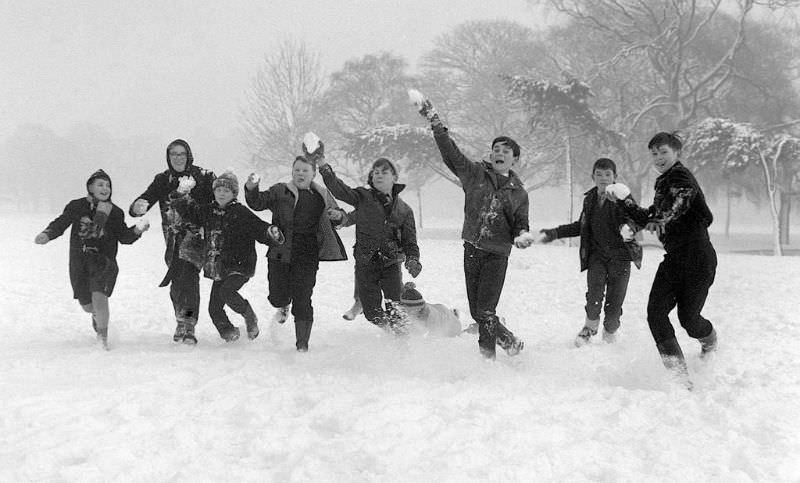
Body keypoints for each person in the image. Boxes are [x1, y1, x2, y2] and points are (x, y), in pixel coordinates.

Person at [414, 95, 530, 359]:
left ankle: (487, 357)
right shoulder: (475, 174)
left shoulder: (519, 193)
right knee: (478, 312)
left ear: (515, 160)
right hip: (473, 249)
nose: (499, 153)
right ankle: (509, 341)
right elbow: (451, 154)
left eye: (506, 151)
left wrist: (522, 235)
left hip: (497, 254)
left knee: (486, 311)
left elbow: (521, 224)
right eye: (496, 149)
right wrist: (436, 124)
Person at [606, 132, 718, 385]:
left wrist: (661, 218)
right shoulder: (663, 182)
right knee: (655, 314)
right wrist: (625, 201)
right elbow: (649, 217)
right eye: (654, 153)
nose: (658, 158)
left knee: (689, 320)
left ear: (677, 153)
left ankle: (709, 342)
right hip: (675, 259)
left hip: (699, 258)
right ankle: (679, 377)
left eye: (663, 152)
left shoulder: (680, 177)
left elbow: (680, 199)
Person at [35, 169, 150, 349]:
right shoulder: (76, 206)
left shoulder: (115, 213)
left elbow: (124, 237)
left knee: (99, 297)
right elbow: (61, 222)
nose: (105, 188)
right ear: (90, 187)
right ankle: (95, 315)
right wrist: (47, 234)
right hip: (79, 261)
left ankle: (102, 339)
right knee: (87, 305)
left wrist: (137, 230)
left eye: (108, 185)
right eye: (100, 184)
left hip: (104, 261)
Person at [244, 155, 347, 352]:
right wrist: (251, 187)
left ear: (313, 174)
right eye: (297, 170)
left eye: (305, 170)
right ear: (292, 172)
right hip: (280, 252)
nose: (300, 173)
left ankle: (302, 343)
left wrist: (338, 216)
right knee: (277, 296)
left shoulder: (321, 195)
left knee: (303, 297)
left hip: (307, 254)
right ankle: (282, 305)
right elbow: (257, 202)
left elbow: (337, 215)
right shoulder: (280, 191)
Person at [314, 145, 421, 335]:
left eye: (384, 172)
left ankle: (402, 339)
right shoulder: (363, 197)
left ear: (394, 177)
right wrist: (323, 165)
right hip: (366, 262)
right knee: (371, 313)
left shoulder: (404, 210)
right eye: (375, 172)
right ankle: (391, 330)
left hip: (391, 264)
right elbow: (340, 191)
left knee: (395, 306)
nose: (378, 175)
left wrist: (413, 259)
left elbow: (410, 241)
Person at [539, 158, 643, 347]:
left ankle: (610, 330)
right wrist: (555, 233)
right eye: (599, 174)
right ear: (593, 177)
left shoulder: (623, 198)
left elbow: (637, 219)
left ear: (615, 177)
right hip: (597, 256)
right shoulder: (590, 199)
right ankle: (589, 327)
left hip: (620, 258)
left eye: (607, 174)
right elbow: (581, 226)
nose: (603, 178)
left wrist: (629, 228)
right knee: (594, 294)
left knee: (614, 304)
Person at [171, 171, 284, 343]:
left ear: (234, 194)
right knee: (214, 309)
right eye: (219, 190)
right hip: (220, 268)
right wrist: (180, 195)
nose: (222, 193)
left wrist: (270, 233)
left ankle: (249, 315)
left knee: (227, 291)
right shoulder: (207, 211)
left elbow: (258, 228)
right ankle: (230, 334)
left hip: (240, 265)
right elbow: (190, 212)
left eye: (227, 191)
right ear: (214, 192)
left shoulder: (241, 213)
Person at [129, 139, 215, 344]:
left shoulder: (203, 176)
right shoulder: (163, 180)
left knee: (190, 278)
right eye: (173, 154)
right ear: (168, 157)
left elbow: (220, 199)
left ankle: (189, 324)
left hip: (196, 236)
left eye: (181, 154)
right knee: (177, 281)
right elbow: (143, 201)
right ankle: (180, 319)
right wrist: (137, 207)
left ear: (189, 156)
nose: (177, 158)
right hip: (172, 238)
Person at [397, 282, 462, 337]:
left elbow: (429, 338)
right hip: (440, 310)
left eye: (411, 311)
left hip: (451, 325)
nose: (408, 312)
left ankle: (453, 315)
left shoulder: (430, 318)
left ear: (418, 309)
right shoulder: (415, 309)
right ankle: (452, 313)